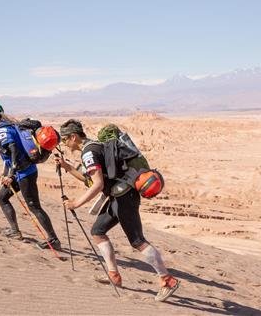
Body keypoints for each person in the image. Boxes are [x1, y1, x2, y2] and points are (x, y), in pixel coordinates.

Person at [55, 119, 180, 302]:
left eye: (65, 139)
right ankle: (114, 275)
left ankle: (167, 280)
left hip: (124, 198)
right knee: (98, 231)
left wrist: (76, 203)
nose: (64, 143)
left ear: (74, 136)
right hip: (118, 196)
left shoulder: (89, 152)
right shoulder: (94, 147)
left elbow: (97, 184)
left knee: (137, 241)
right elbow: (88, 179)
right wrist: (67, 167)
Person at [0, 99, 61, 250]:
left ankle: (53, 240)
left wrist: (10, 174)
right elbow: (4, 149)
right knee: (2, 197)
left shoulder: (3, 129)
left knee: (34, 207)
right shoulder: (5, 127)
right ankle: (15, 231)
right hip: (21, 171)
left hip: (25, 173)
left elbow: (13, 150)